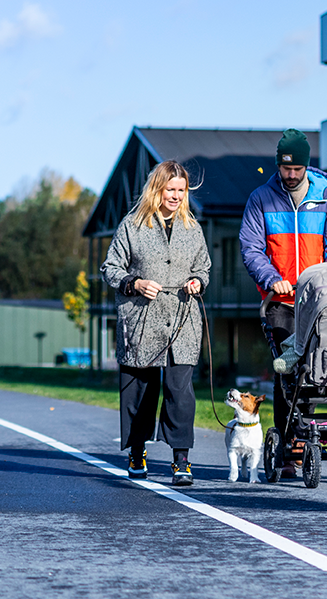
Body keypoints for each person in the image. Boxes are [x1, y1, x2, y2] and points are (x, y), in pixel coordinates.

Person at [238, 128, 327, 455]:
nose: (290, 175)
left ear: (306, 166)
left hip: (317, 303)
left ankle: (307, 438)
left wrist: (323, 281)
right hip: (281, 302)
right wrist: (271, 278)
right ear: (278, 165)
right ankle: (290, 446)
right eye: (285, 169)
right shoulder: (261, 199)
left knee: (314, 371)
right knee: (288, 372)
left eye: (296, 170)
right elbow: (251, 249)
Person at [101, 159, 211, 486]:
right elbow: (110, 269)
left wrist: (197, 282)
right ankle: (137, 452)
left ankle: (182, 461)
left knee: (180, 392)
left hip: (182, 322)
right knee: (141, 392)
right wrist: (135, 283)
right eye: (171, 189)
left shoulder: (193, 229)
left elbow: (203, 268)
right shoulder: (132, 226)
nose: (176, 196)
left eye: (181, 190)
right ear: (157, 189)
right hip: (142, 323)